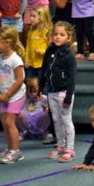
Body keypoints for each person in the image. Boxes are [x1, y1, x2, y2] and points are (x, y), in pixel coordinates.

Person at [41, 21, 77, 163]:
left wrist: (69, 95)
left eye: (61, 35)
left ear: (68, 37)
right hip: (51, 91)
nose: (57, 37)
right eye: (55, 34)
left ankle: (70, 149)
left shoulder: (69, 55)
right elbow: (44, 69)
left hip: (64, 92)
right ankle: (60, 146)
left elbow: (72, 77)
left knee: (66, 120)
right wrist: (41, 87)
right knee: (56, 119)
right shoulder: (49, 51)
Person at [0, 26, 27, 164]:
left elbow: (19, 80)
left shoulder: (15, 59)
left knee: (9, 122)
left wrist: (8, 95)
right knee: (4, 123)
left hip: (15, 95)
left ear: (7, 43)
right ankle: (9, 148)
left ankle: (16, 151)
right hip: (4, 95)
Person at [16, 77, 51, 141]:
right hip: (27, 120)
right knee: (18, 113)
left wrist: (46, 109)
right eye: (30, 92)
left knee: (49, 111)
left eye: (35, 91)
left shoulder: (43, 98)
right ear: (26, 91)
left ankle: (43, 131)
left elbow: (46, 108)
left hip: (38, 120)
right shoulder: (23, 98)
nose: (33, 94)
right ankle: (24, 131)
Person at [23, 6, 51, 80]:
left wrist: (41, 51)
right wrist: (26, 60)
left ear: (41, 17)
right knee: (30, 83)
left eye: (34, 16)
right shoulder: (30, 32)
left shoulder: (46, 31)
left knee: (41, 84)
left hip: (42, 64)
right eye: (31, 16)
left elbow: (50, 49)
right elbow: (28, 47)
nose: (31, 18)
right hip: (31, 64)